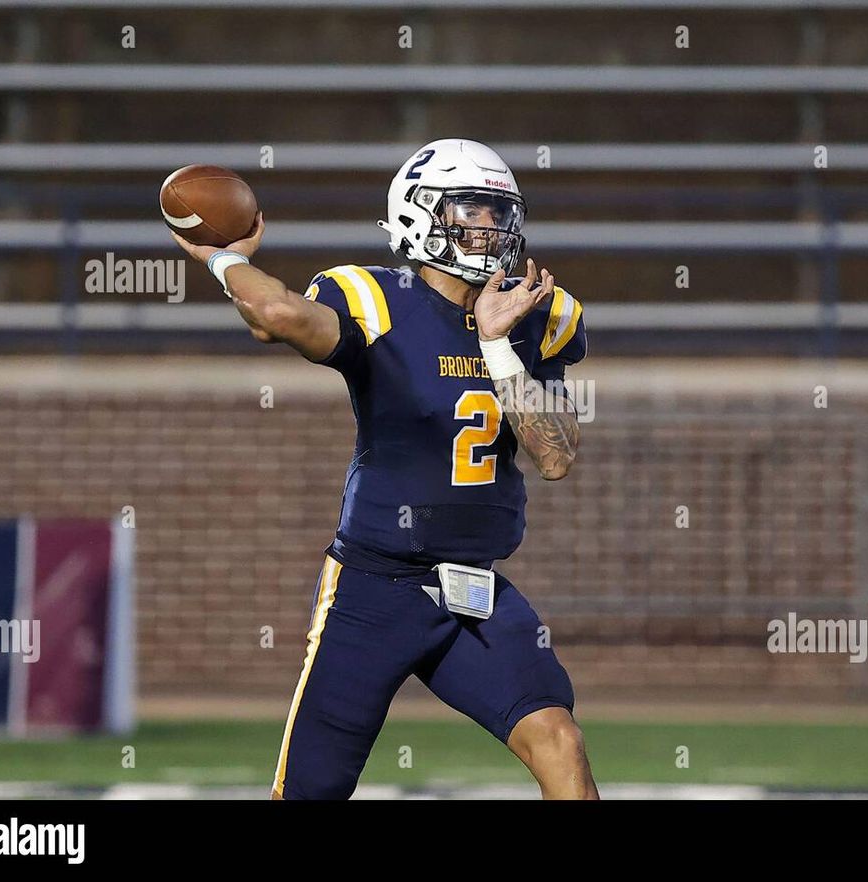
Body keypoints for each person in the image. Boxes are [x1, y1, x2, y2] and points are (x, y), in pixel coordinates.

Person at [170, 139, 598, 799]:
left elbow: (556, 455)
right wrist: (225, 257)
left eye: (498, 210)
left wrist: (496, 346)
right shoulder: (375, 299)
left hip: (475, 593)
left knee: (560, 741)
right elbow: (279, 316)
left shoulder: (533, 315)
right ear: (418, 213)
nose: (491, 225)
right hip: (373, 590)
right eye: (472, 208)